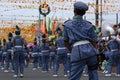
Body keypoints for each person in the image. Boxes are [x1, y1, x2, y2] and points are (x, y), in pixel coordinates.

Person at [62, 1, 98, 80]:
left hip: (77, 51)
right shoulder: (89, 24)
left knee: (74, 76)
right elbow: (94, 40)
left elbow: (65, 40)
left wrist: (72, 50)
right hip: (91, 51)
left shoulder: (67, 25)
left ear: (74, 11)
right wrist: (94, 50)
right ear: (84, 13)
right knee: (93, 73)